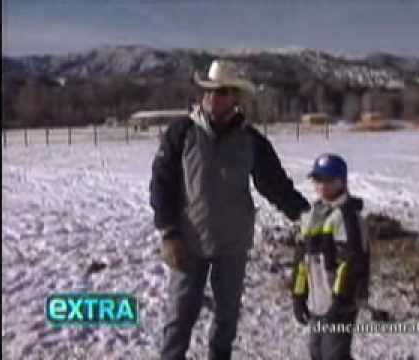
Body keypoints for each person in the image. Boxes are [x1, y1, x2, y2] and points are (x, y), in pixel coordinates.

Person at [150, 59, 310, 360]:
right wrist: (169, 232)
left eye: (222, 91)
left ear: (235, 97)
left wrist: (305, 214)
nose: (213, 97)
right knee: (179, 317)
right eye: (208, 90)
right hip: (189, 243)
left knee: (227, 319)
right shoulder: (181, 133)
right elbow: (161, 184)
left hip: (233, 246)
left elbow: (275, 185)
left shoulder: (251, 141)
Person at [291, 153, 370, 360]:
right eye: (317, 181)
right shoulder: (313, 215)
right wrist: (299, 295)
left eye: (327, 181)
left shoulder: (347, 218)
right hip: (318, 301)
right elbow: (302, 262)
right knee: (317, 352)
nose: (321, 186)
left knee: (334, 355)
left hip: (339, 304)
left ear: (340, 182)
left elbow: (352, 263)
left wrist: (340, 301)